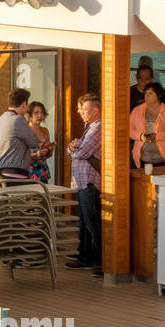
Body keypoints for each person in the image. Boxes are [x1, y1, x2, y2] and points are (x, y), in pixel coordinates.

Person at [66, 93, 103, 276]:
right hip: (81, 182)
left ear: (95, 111)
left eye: (84, 110)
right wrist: (73, 148)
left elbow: (82, 151)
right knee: (84, 223)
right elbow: (73, 148)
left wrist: (74, 149)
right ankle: (85, 258)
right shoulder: (88, 127)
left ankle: (100, 262)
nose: (80, 113)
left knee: (92, 224)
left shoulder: (98, 127)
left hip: (90, 183)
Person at [0, 88, 49, 179]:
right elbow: (34, 142)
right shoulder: (18, 119)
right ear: (24, 104)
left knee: (3, 194)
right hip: (14, 171)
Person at [130, 82, 165, 169]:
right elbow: (129, 130)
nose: (146, 96)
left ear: (158, 95)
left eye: (150, 93)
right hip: (142, 159)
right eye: (145, 93)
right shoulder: (137, 111)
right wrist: (140, 136)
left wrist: (157, 136)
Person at [26, 101, 54, 183]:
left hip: (43, 170)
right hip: (29, 172)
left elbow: (48, 156)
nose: (40, 115)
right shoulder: (25, 130)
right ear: (29, 115)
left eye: (42, 112)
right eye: (36, 113)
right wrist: (37, 154)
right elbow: (20, 155)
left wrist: (49, 151)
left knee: (43, 195)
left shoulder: (45, 130)